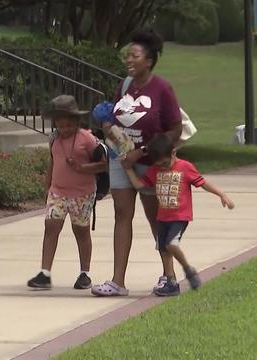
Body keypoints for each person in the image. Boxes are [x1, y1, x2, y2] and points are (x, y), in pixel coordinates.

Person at [92, 29, 184, 297]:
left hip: (151, 163)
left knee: (157, 218)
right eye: (128, 55)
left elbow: (175, 130)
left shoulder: (162, 89)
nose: (128, 59)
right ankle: (117, 281)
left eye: (135, 55)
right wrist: (108, 126)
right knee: (122, 215)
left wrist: (143, 150)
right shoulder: (124, 86)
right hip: (122, 161)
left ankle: (170, 277)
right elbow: (115, 116)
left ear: (149, 60)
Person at [125, 134, 235, 295]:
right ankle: (171, 283)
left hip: (180, 216)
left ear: (174, 153)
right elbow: (139, 185)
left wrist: (221, 194)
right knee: (163, 249)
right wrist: (127, 168)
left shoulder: (185, 167)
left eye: (165, 163)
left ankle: (188, 270)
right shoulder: (154, 170)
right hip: (162, 217)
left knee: (171, 244)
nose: (162, 167)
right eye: (158, 164)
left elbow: (202, 183)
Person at [27, 95, 107, 290]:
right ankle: (45, 273)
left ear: (76, 121)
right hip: (58, 192)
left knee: (81, 231)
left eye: (68, 125)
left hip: (83, 193)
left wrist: (81, 167)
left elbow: (103, 165)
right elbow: (53, 163)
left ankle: (84, 273)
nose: (64, 129)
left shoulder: (87, 139)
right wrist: (48, 188)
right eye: (60, 125)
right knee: (51, 227)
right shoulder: (53, 138)